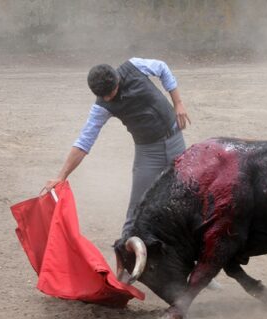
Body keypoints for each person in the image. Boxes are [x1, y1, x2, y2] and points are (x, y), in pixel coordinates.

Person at [42, 57, 190, 236]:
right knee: (138, 208)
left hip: (176, 139)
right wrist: (61, 176)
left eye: (110, 93)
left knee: (185, 197)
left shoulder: (134, 66)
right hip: (148, 152)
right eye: (102, 96)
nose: (107, 98)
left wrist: (178, 102)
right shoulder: (101, 106)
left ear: (117, 80)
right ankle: (125, 256)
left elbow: (162, 68)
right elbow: (83, 142)